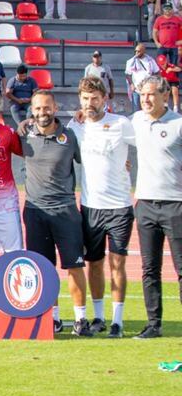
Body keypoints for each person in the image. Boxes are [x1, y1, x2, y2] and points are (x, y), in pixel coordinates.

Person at [19, 90, 91, 334]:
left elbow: (91, 158)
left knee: (74, 266)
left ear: (56, 108)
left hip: (65, 211)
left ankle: (81, 319)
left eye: (47, 107)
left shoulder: (70, 136)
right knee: (43, 269)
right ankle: (53, 319)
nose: (43, 112)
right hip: (35, 211)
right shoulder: (24, 134)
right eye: (38, 108)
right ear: (32, 110)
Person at [65, 77, 133, 337]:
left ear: (105, 99)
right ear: (80, 100)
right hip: (90, 207)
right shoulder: (75, 125)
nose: (89, 103)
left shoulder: (121, 124)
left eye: (94, 98)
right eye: (85, 98)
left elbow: (147, 146)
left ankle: (117, 321)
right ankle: (99, 317)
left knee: (117, 264)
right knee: (94, 264)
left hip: (119, 207)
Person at [127, 75, 182, 339]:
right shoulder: (136, 120)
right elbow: (107, 129)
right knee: (150, 269)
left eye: (151, 94)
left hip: (176, 205)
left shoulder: (178, 123)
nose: (145, 99)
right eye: (142, 94)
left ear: (164, 96)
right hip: (146, 204)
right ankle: (153, 324)